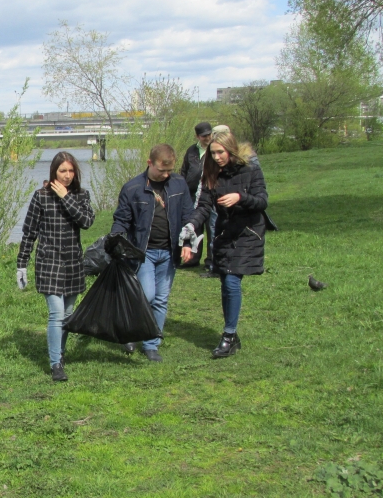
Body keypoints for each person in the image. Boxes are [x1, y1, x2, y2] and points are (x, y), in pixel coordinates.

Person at [180, 129, 268, 358]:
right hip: (224, 234)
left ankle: (228, 336)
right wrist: (191, 226)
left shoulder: (251, 169)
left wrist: (240, 197)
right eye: (213, 153)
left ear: (230, 150)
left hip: (247, 233)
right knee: (225, 284)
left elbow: (262, 202)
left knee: (231, 281)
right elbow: (203, 207)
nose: (217, 157)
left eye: (221, 153)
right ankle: (232, 333)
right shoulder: (211, 174)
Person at [110, 144, 193, 362]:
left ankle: (151, 344)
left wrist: (186, 243)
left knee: (161, 300)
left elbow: (188, 215)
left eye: (169, 171)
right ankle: (130, 332)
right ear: (149, 163)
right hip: (143, 252)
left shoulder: (179, 184)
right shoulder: (132, 188)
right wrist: (116, 238)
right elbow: (122, 219)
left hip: (169, 252)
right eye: (161, 171)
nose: (166, 175)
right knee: (147, 295)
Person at [17, 152, 95, 382]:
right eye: (63, 171)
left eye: (71, 171)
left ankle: (60, 353)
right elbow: (29, 232)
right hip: (48, 261)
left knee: (68, 314)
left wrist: (66, 198)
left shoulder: (81, 195)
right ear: (54, 172)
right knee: (57, 313)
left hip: (72, 262)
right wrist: (22, 264)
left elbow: (87, 222)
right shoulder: (41, 196)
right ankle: (55, 363)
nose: (67, 176)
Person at [179, 122, 214, 269]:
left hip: (210, 194)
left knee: (212, 228)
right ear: (197, 136)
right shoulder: (192, 151)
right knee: (194, 227)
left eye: (209, 134)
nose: (207, 138)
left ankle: (211, 262)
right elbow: (184, 171)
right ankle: (192, 259)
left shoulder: (215, 149)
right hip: (192, 194)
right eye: (204, 136)